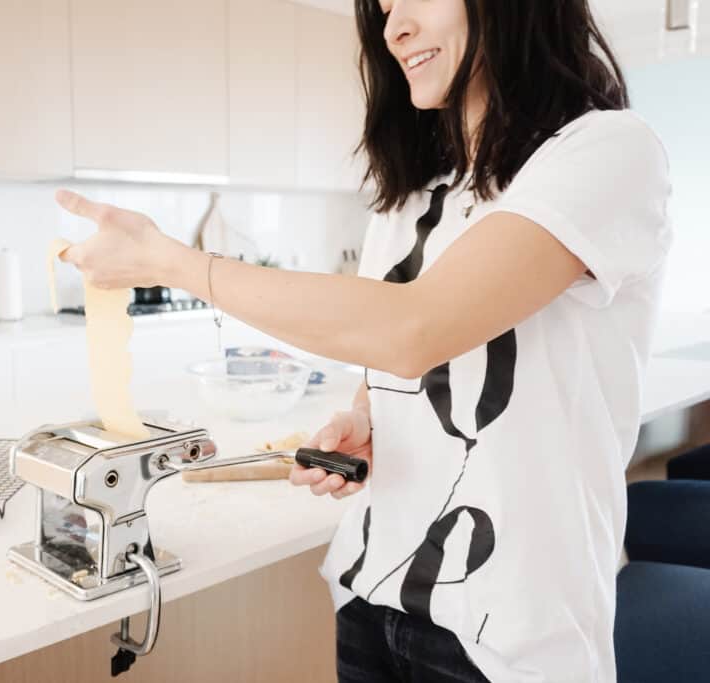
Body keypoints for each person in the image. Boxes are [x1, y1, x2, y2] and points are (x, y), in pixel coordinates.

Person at [54, 0, 673, 680]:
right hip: (370, 598)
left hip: (509, 636)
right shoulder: (416, 196)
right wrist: (367, 416)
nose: (393, 27)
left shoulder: (606, 151)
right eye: (382, 6)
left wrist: (174, 262)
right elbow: (395, 359)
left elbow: (411, 326)